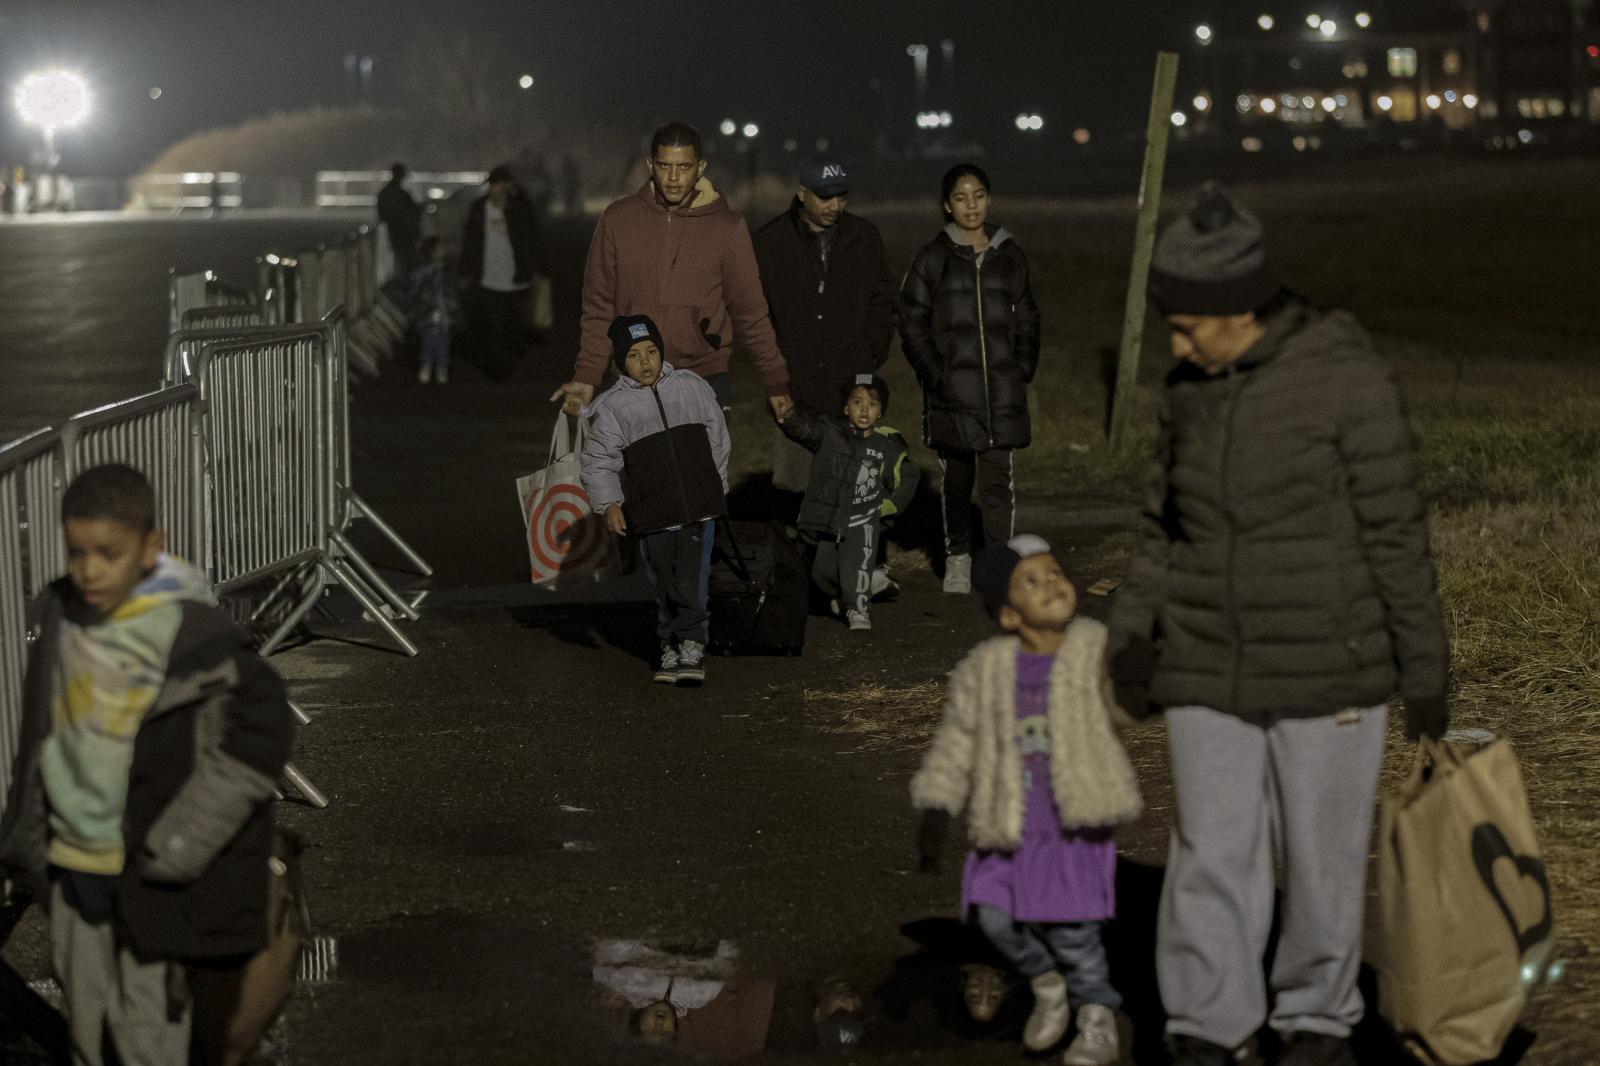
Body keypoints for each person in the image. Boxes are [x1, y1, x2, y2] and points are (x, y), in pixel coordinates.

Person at [1105, 183, 1451, 1066]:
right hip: (1206, 662)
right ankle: (1208, 1024)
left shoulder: (1347, 379)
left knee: (1324, 860)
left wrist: (1424, 665)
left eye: (1187, 324)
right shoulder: (1192, 388)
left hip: (1328, 666)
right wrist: (1132, 636)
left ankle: (1315, 1018)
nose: (1174, 345)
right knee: (1210, 850)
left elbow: (1395, 531)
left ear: (1243, 309)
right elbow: (1160, 524)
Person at [0, 464, 296, 1066]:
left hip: (152, 886)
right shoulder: (59, 613)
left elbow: (259, 736)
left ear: (151, 546)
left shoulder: (195, 634)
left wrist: (178, 845)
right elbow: (44, 733)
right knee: (90, 1039)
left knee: (147, 1042)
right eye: (77, 552)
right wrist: (29, 842)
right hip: (73, 875)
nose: (89, 571)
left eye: (108, 553)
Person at [911, 535, 1141, 1065]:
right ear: (1010, 616)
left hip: (1070, 827)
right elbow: (957, 742)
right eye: (1032, 581)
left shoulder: (1090, 650)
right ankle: (1045, 983)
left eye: (1055, 571)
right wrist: (937, 803)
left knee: (1075, 935)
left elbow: (1123, 709)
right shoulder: (985, 671)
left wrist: (1139, 675)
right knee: (992, 919)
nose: (1052, 583)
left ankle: (1096, 1021)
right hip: (1007, 824)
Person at [551, 122, 793, 424]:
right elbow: (598, 306)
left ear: (701, 167)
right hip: (632, 379)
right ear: (650, 165)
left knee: (701, 473)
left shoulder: (727, 228)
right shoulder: (617, 220)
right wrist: (587, 375)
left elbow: (750, 311)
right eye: (665, 166)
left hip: (704, 377)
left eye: (684, 166)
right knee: (638, 472)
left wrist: (775, 379)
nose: (674, 178)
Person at [898, 164, 1040, 596]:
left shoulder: (1009, 254)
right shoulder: (933, 257)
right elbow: (910, 319)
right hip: (952, 394)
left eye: (978, 195)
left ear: (989, 198)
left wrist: (1021, 368)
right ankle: (958, 558)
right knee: (957, 482)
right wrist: (935, 373)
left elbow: (1029, 317)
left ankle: (999, 566)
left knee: (997, 483)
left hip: (1001, 393)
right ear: (947, 205)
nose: (971, 205)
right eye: (961, 198)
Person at [581, 314, 730, 685]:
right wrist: (610, 503)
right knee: (663, 579)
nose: (646, 361)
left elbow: (717, 437)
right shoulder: (612, 407)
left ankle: (693, 641)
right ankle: (669, 643)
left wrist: (717, 484)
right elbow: (599, 460)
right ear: (620, 361)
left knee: (692, 578)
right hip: (652, 511)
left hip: (699, 507)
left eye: (651, 351)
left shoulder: (691, 387)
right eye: (634, 354)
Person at [752, 153, 896, 519]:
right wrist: (774, 371)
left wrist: (872, 350)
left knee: (851, 485)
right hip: (795, 382)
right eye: (825, 196)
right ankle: (798, 567)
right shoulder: (770, 243)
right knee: (794, 486)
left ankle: (849, 567)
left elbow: (883, 296)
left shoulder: (864, 237)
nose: (835, 205)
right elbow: (756, 313)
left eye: (841, 196)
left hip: (850, 381)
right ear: (802, 194)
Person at [776, 374, 919, 632]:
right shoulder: (830, 433)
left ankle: (858, 607)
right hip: (833, 517)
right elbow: (806, 430)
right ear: (845, 407)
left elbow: (909, 476)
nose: (864, 409)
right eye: (857, 402)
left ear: (881, 412)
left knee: (857, 564)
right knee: (821, 571)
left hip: (865, 518)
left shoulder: (887, 445)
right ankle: (849, 593)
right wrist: (790, 416)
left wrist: (889, 506)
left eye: (873, 404)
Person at [460, 164, 544, 381]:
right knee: (493, 324)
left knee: (512, 323)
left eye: (500, 184)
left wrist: (537, 267)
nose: (496, 189)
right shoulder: (479, 209)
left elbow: (532, 238)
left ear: (507, 186)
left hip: (515, 276)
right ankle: (499, 368)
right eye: (493, 185)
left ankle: (507, 361)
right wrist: (466, 272)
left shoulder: (518, 208)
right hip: (488, 277)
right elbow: (470, 242)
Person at [409, 236, 460, 385]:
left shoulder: (445, 271)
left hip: (444, 313)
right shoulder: (425, 272)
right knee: (429, 341)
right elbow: (418, 290)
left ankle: (441, 367)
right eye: (440, 248)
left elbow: (451, 291)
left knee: (443, 342)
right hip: (430, 312)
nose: (443, 251)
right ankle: (427, 365)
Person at [377, 162, 422, 279]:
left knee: (401, 264)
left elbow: (382, 216)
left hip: (395, 235)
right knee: (409, 265)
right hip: (406, 236)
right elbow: (415, 212)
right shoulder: (403, 195)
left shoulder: (385, 194)